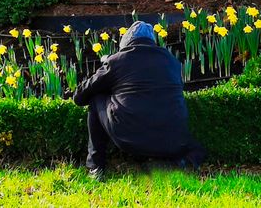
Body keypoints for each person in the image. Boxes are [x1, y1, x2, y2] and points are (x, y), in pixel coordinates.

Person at [73, 21, 206, 179]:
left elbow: (79, 97)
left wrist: (106, 72)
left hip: (130, 138)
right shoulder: (171, 61)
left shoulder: (117, 61)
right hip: (173, 139)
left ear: (127, 42)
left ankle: (96, 166)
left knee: (96, 98)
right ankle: (178, 161)